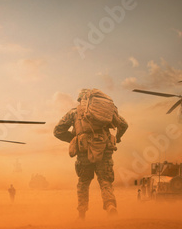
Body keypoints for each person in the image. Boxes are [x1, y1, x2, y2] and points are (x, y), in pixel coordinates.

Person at [54, 89, 127, 220]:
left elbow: (57, 131)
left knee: (83, 182)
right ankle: (110, 206)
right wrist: (119, 137)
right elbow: (124, 125)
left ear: (80, 100)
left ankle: (81, 213)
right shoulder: (105, 112)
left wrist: (75, 139)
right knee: (105, 181)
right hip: (104, 151)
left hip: (83, 153)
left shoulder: (74, 113)